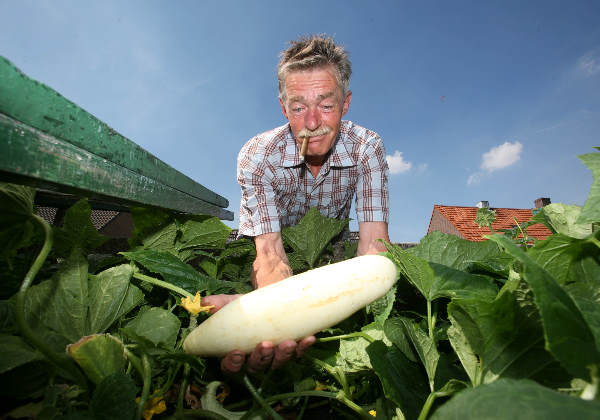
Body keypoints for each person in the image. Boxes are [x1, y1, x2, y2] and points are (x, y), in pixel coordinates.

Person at [203, 34, 390, 374]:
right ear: (283, 107)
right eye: (299, 107)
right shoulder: (258, 155)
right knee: (266, 360)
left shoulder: (367, 148)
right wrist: (270, 319)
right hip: (266, 251)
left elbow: (374, 249)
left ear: (345, 104)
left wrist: (341, 306)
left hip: (329, 254)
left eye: (326, 105)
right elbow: (270, 255)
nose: (312, 123)